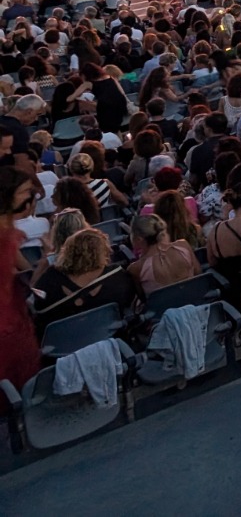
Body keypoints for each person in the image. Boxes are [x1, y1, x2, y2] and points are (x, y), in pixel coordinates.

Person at [32, 227, 138, 329]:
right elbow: (128, 302)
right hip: (107, 337)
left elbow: (38, 307)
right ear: (104, 251)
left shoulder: (51, 278)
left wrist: (43, 263)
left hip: (66, 344)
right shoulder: (117, 276)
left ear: (68, 252)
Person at [0, 167, 41, 393]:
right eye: (25, 191)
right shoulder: (5, 237)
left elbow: (24, 272)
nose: (31, 197)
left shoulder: (9, 233)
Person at [126, 212, 201, 295]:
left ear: (139, 239)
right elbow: (198, 274)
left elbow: (143, 298)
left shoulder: (136, 268)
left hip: (162, 307)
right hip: (195, 301)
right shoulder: (183, 246)